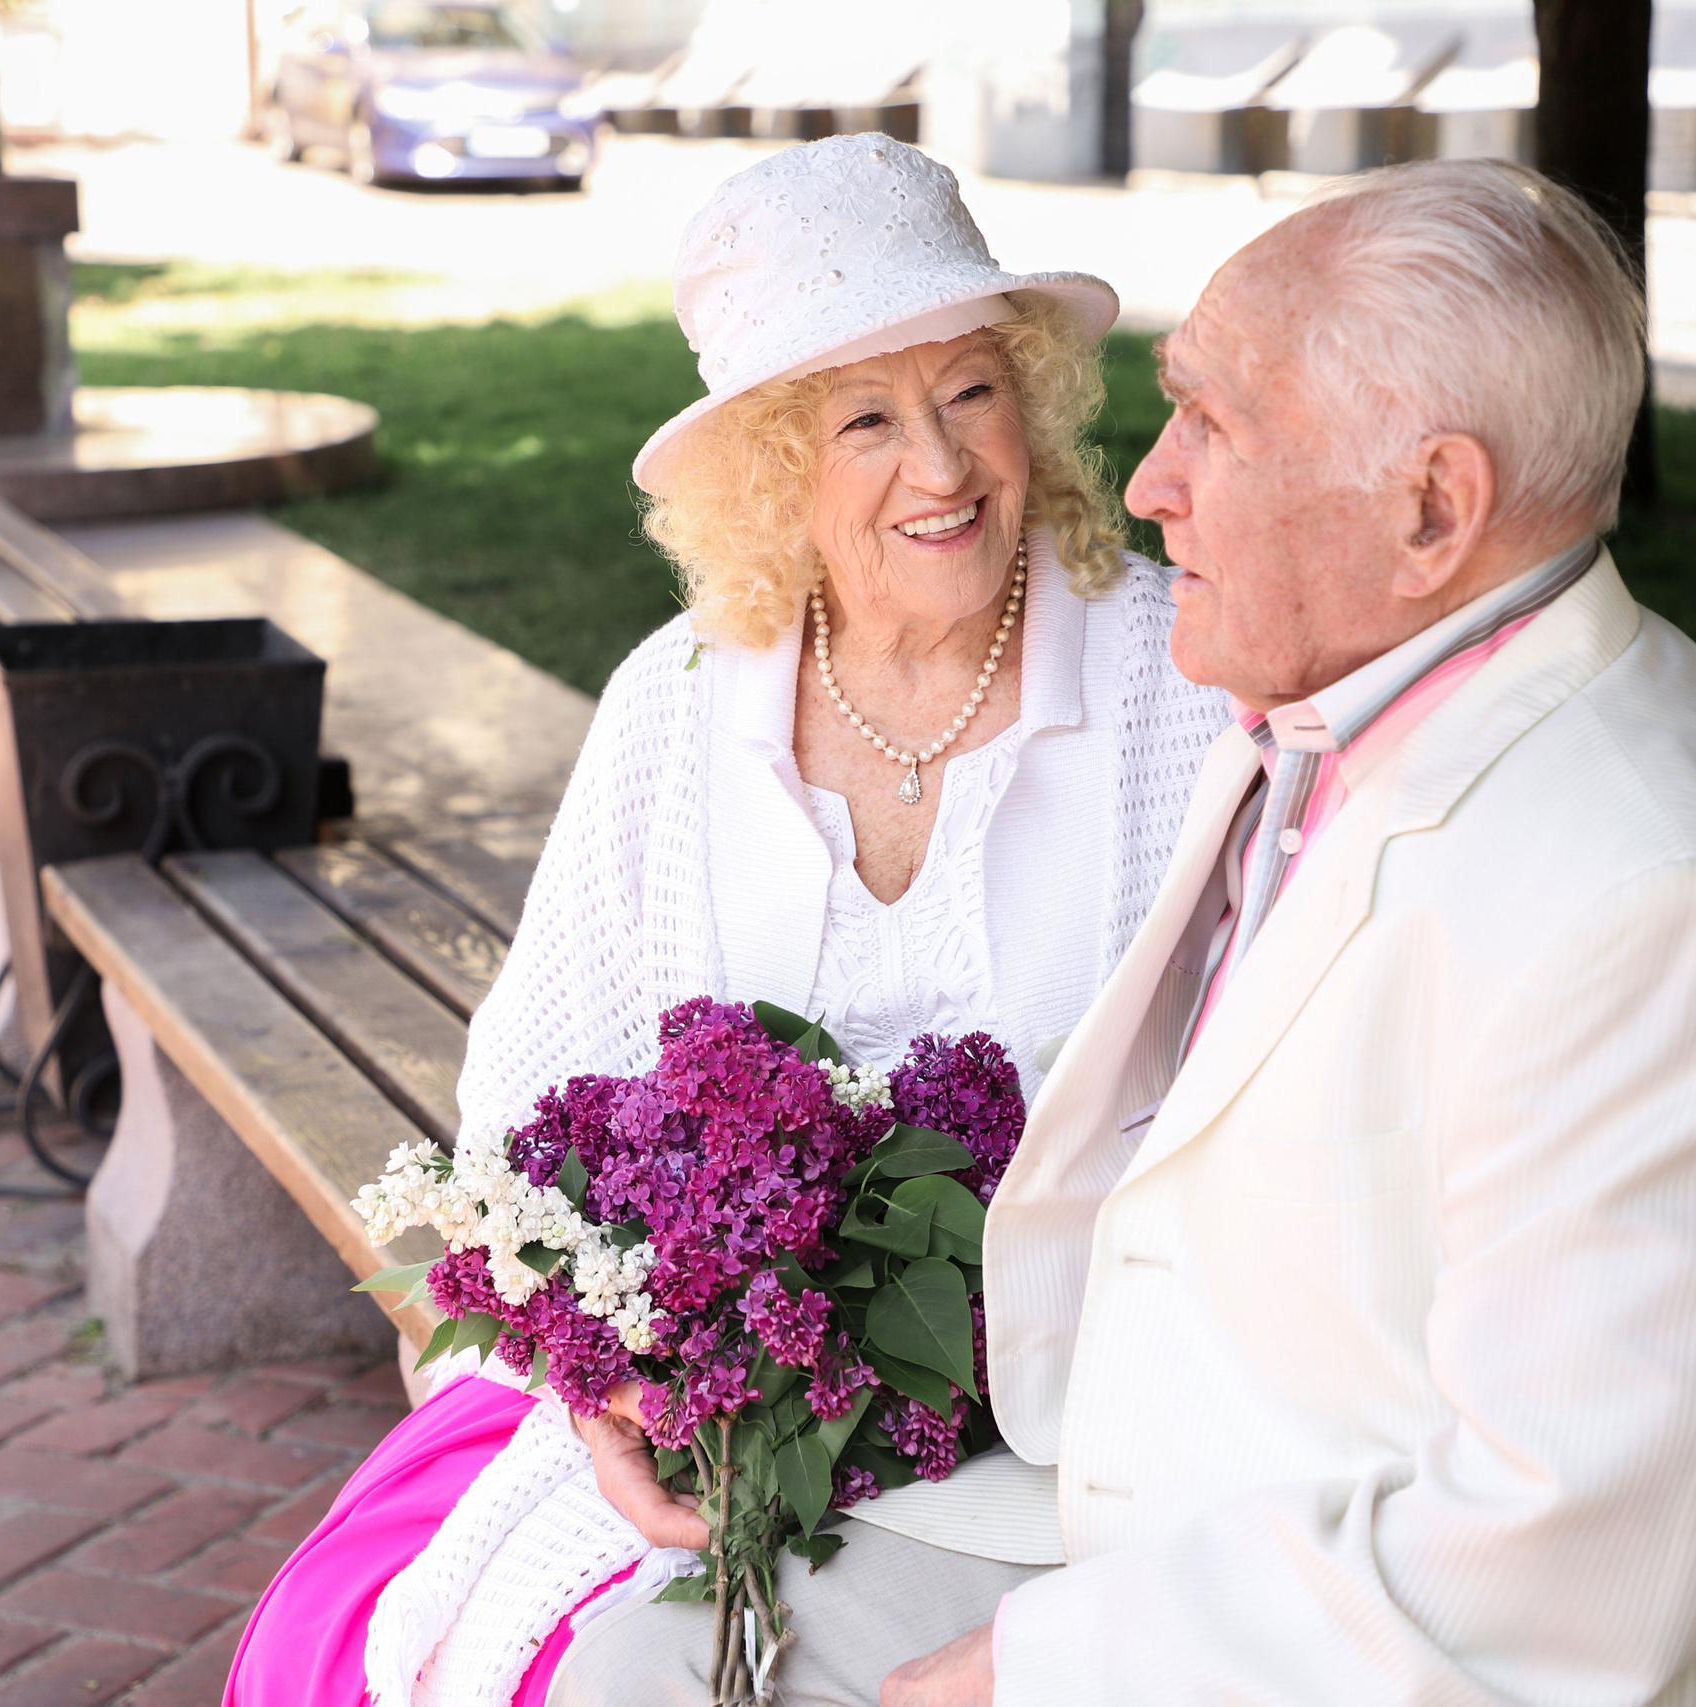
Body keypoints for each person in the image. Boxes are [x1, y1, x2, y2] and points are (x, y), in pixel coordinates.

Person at [565, 160, 1696, 1704]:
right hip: (1155, 1514)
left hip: (1362, 1640)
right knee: (645, 1678)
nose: (1146, 484)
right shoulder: (1331, 707)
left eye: (1211, 423)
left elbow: (1558, 1577)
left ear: (1432, 507)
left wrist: (1033, 1670)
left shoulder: (1660, 906)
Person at [219, 134, 1232, 1707]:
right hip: (717, 1425)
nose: (943, 467)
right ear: (772, 470)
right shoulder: (682, 701)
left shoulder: (1185, 686)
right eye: (867, 419)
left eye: (972, 391)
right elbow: (530, 1110)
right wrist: (613, 1390)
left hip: (1075, 1435)